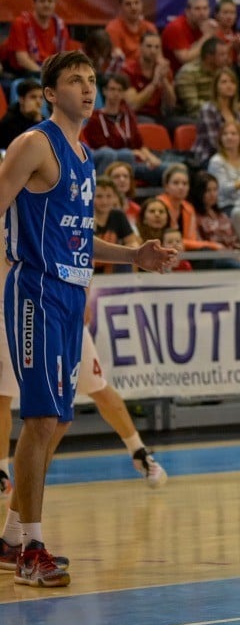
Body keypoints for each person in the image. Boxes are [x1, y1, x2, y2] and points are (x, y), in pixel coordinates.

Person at [0, 52, 176, 588]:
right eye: (74, 80)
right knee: (39, 419)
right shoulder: (35, 143)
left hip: (72, 292)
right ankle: (33, 548)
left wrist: (133, 256)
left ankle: (10, 539)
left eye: (92, 80)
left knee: (62, 418)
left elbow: (79, 236)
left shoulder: (83, 155)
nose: (87, 87)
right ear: (50, 92)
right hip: (35, 288)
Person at [0, 79, 43, 149]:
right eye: (33, 97)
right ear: (21, 99)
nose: (38, 102)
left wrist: (38, 121)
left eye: (41, 98)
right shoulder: (9, 122)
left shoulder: (41, 119)